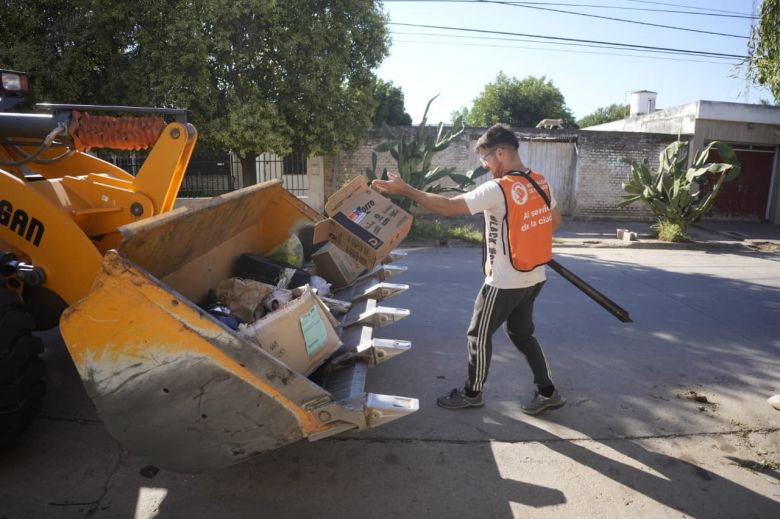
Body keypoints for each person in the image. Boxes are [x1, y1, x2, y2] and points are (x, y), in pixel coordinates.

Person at [372, 123, 566, 414]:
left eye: (486, 159)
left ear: (500, 153)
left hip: (504, 281)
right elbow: (555, 222)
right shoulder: (539, 181)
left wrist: (406, 190)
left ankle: (472, 393)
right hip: (534, 276)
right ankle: (548, 392)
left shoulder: (498, 188)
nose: (486, 166)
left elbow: (449, 207)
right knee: (522, 334)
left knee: (477, 334)